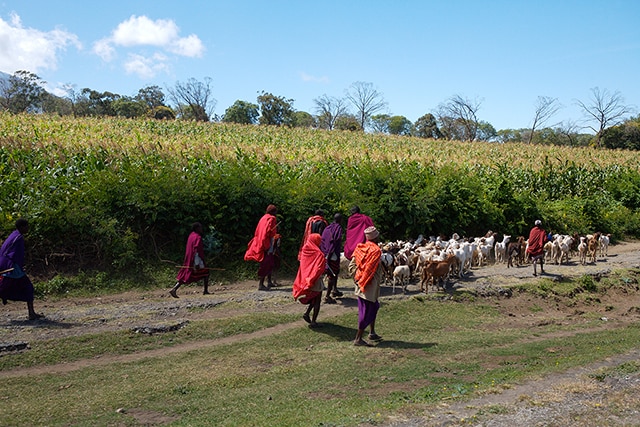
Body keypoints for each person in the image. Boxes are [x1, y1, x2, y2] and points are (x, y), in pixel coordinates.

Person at [0, 218, 43, 320]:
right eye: (26, 226)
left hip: (10, 266)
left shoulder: (14, 235)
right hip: (12, 267)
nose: (28, 228)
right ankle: (31, 314)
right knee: (28, 287)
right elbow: (10, 254)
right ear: (22, 227)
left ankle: (31, 313)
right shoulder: (18, 238)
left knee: (7, 287)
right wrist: (13, 265)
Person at [348, 226, 384, 347]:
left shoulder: (360, 248)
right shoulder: (376, 251)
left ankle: (372, 332)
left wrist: (357, 277)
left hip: (361, 283)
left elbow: (351, 266)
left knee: (374, 306)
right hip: (369, 285)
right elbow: (369, 270)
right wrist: (364, 278)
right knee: (367, 311)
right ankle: (358, 338)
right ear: (375, 237)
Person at [292, 233, 325, 328]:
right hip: (315, 279)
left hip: (306, 279)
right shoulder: (319, 254)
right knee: (317, 300)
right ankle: (314, 321)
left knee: (314, 298)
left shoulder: (305, 251)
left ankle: (307, 314)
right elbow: (319, 269)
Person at [170, 222, 210, 298]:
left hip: (189, 259)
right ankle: (205, 291)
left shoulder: (191, 236)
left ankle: (174, 289)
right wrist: (197, 262)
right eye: (200, 228)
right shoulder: (197, 237)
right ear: (197, 228)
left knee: (187, 274)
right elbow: (196, 249)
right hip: (195, 260)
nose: (201, 229)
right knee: (206, 273)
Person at [244, 204, 279, 290]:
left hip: (259, 242)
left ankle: (269, 282)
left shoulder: (263, 218)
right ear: (273, 212)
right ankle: (261, 284)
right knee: (267, 262)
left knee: (269, 262)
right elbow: (270, 233)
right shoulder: (272, 218)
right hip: (267, 243)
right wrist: (274, 241)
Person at [320, 213, 344, 304]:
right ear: (340, 220)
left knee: (335, 272)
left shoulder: (327, 228)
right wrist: (331, 252)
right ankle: (327, 296)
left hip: (326, 253)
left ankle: (335, 290)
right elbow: (336, 240)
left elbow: (323, 241)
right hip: (333, 254)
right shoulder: (338, 228)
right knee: (332, 274)